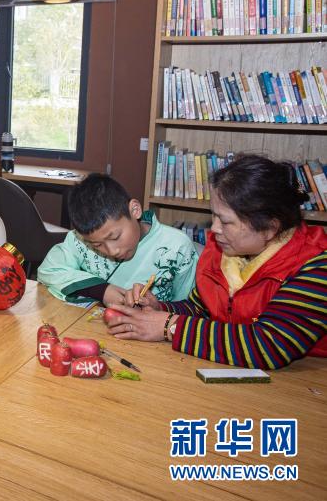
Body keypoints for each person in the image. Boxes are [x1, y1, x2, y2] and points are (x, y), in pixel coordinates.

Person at [106, 155, 327, 369]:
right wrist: (158, 308)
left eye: (226, 221)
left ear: (270, 227)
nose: (214, 229)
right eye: (214, 215)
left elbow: (268, 345)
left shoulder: (315, 266)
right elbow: (199, 308)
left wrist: (169, 326)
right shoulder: (222, 250)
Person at [38, 173, 197, 306]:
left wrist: (159, 308)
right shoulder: (80, 241)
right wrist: (102, 291)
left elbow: (191, 308)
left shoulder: (177, 248)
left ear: (135, 210)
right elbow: (48, 270)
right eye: (98, 245)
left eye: (115, 237)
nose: (112, 250)